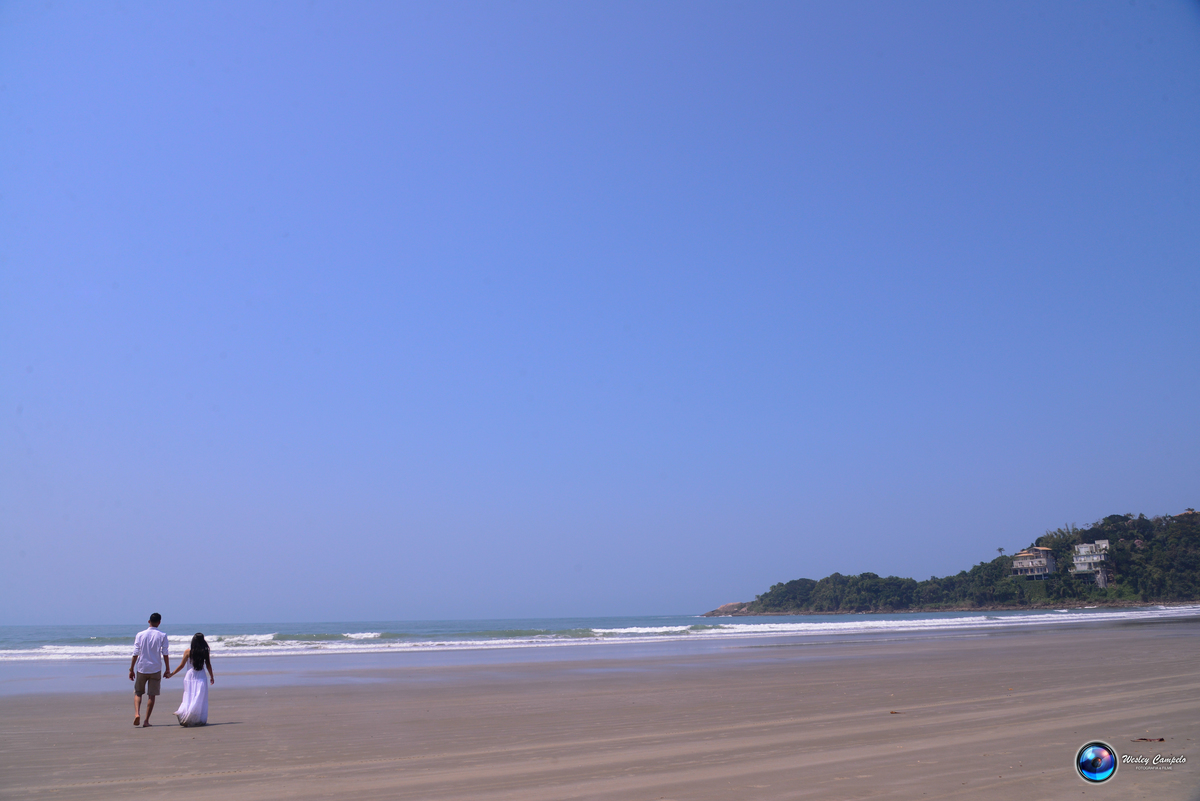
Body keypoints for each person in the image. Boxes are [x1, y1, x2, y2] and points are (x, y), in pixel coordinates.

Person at [129, 613, 172, 727]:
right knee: (151, 696)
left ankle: (137, 714)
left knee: (138, 693)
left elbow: (135, 653)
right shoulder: (162, 635)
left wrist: (131, 669)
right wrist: (167, 669)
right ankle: (146, 721)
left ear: (149, 621)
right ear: (159, 622)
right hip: (155, 668)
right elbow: (165, 653)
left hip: (142, 667)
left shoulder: (140, 634)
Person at [166, 633, 214, 726]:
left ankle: (185, 713)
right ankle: (195, 717)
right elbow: (208, 664)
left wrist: (172, 674)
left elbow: (181, 665)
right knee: (199, 697)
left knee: (188, 696)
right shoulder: (204, 652)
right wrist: (212, 676)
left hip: (190, 676)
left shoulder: (188, 652)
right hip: (201, 675)